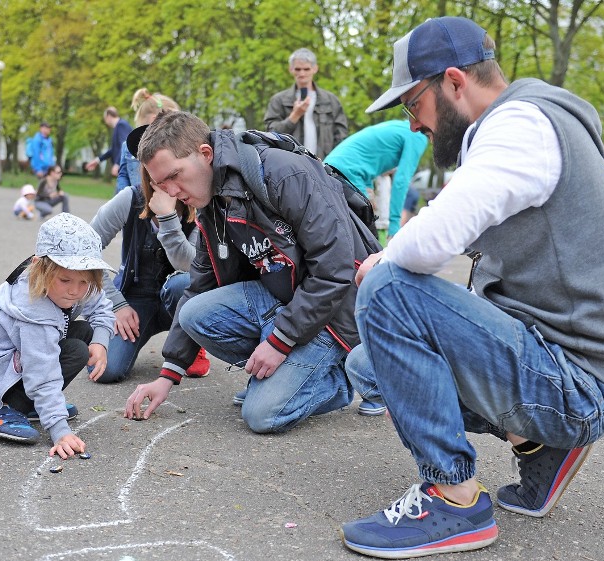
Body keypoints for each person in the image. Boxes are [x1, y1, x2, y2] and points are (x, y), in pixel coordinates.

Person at [339, 17, 604, 559]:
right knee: (368, 365)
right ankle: (540, 447)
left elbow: (426, 243)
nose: (413, 126)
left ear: (455, 83)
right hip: (571, 368)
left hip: (577, 386)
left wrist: (379, 263)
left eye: (414, 105)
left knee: (386, 290)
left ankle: (455, 502)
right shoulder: (527, 124)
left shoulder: (521, 126)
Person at [123, 110, 383, 432]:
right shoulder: (212, 202)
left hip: (333, 312)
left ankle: (336, 382)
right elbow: (200, 283)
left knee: (262, 415)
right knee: (192, 312)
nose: (171, 192)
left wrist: (280, 342)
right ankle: (287, 370)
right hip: (282, 298)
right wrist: (168, 373)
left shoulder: (283, 174)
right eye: (161, 184)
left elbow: (334, 270)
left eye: (174, 176)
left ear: (205, 154)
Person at [0, 213, 115, 458]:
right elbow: (43, 373)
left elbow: (102, 306)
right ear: (41, 267)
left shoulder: (73, 282)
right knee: (77, 351)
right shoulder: (32, 308)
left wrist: (101, 341)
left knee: (85, 332)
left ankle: (29, 405)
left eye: (84, 282)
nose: (75, 290)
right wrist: (59, 429)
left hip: (16, 361)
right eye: (65, 280)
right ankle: (5, 409)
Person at [89, 150, 211, 384]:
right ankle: (104, 331)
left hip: (179, 298)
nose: (166, 183)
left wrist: (167, 218)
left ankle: (193, 342)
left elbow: (191, 267)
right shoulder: (130, 198)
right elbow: (83, 251)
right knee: (106, 371)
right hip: (135, 299)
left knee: (181, 283)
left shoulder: (199, 204)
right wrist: (115, 304)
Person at [324, 119, 428, 237]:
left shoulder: (400, 127)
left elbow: (367, 158)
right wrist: (394, 225)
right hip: (348, 172)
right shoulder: (418, 135)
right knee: (368, 239)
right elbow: (401, 180)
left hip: (335, 167)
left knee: (353, 234)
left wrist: (369, 190)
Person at [263, 48, 348, 159]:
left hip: (324, 166)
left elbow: (341, 136)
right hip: (291, 165)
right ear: (291, 69)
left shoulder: (331, 100)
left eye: (306, 69)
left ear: (315, 69)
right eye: (298, 69)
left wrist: (333, 163)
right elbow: (271, 136)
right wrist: (294, 116)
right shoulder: (279, 100)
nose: (302, 73)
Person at [116, 89, 180, 194]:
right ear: (155, 120)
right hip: (139, 203)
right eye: (173, 119)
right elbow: (123, 176)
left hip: (166, 204)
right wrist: (123, 197)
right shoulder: (128, 146)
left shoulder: (175, 145)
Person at [86, 107, 133, 178]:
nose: (105, 121)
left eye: (104, 118)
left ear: (108, 116)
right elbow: (113, 150)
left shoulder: (121, 125)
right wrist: (97, 160)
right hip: (124, 169)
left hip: (126, 169)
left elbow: (125, 145)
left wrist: (117, 163)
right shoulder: (118, 126)